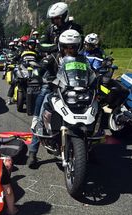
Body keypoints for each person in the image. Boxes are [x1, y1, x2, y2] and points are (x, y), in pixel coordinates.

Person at [28, 29, 88, 168]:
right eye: (66, 46)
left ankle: (88, 146)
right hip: (54, 90)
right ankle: (33, 152)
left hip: (75, 92)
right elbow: (40, 68)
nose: (69, 49)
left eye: (72, 46)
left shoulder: (82, 59)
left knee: (93, 108)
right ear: (61, 45)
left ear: (78, 46)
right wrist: (37, 75)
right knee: (41, 114)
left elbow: (90, 73)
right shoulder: (53, 57)